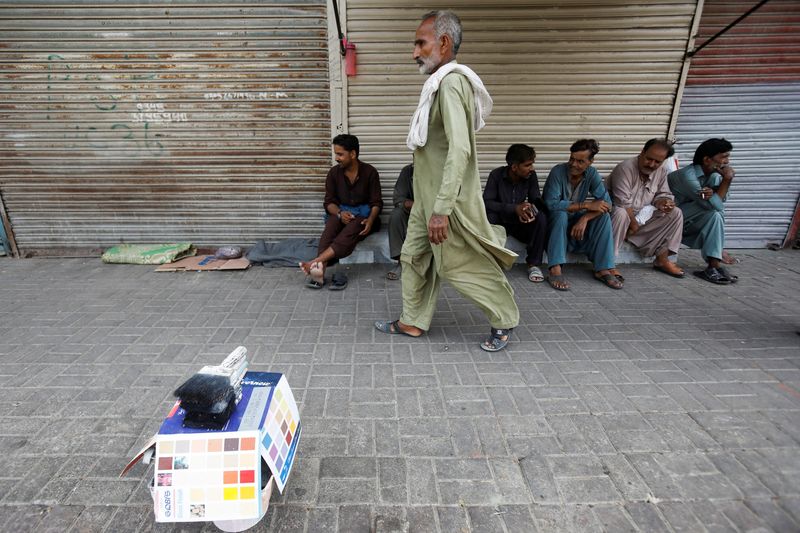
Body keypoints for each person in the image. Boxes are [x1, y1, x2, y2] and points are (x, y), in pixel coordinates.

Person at [374, 10, 519, 352]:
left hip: (445, 203)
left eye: (420, 43)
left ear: (443, 41)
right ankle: (412, 320)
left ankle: (504, 318)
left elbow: (460, 150)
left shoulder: (452, 83)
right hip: (426, 200)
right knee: (412, 258)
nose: (414, 53)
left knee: (458, 267)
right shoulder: (437, 85)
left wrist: (441, 209)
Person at [300, 134, 382, 290]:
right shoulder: (334, 173)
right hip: (341, 213)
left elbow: (376, 203)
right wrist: (339, 214)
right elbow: (329, 202)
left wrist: (371, 220)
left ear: (353, 154)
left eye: (340, 154)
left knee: (351, 229)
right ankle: (320, 270)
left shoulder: (370, 172)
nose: (336, 158)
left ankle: (315, 262)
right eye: (335, 153)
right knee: (331, 224)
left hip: (364, 216)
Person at [542, 139, 622, 291]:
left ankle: (603, 268)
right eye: (572, 159)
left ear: (590, 162)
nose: (574, 164)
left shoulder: (592, 174)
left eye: (580, 161)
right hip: (555, 224)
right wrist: (584, 205)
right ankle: (555, 269)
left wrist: (585, 218)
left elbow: (607, 204)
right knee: (560, 214)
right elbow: (551, 204)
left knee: (603, 216)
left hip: (575, 223)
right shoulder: (558, 171)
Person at [607, 138, 685, 277]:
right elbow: (623, 202)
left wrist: (663, 202)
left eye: (657, 162)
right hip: (616, 219)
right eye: (649, 159)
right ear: (642, 152)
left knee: (676, 213)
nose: (651, 164)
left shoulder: (661, 171)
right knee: (620, 213)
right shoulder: (625, 168)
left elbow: (663, 194)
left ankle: (662, 259)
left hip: (637, 220)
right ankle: (607, 263)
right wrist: (634, 226)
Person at [668, 138, 737, 284]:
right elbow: (716, 204)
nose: (726, 161)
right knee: (712, 210)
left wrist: (719, 187)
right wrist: (727, 180)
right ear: (707, 160)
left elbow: (720, 201)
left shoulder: (713, 176)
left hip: (689, 220)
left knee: (715, 216)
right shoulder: (687, 176)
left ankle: (713, 266)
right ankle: (716, 258)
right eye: (723, 157)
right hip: (670, 219)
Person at [483, 144, 548, 282]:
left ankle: (534, 264)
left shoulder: (531, 176)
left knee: (540, 218)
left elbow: (535, 199)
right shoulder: (496, 175)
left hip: (520, 223)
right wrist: (514, 208)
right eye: (527, 165)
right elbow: (487, 202)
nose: (531, 168)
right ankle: (489, 262)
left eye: (532, 164)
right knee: (489, 216)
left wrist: (529, 211)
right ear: (514, 167)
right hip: (500, 222)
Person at [386, 164, 414, 280]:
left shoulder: (442, 168)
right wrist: (417, 206)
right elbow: (399, 200)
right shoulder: (408, 171)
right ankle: (402, 262)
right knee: (396, 215)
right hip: (415, 212)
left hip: (437, 214)